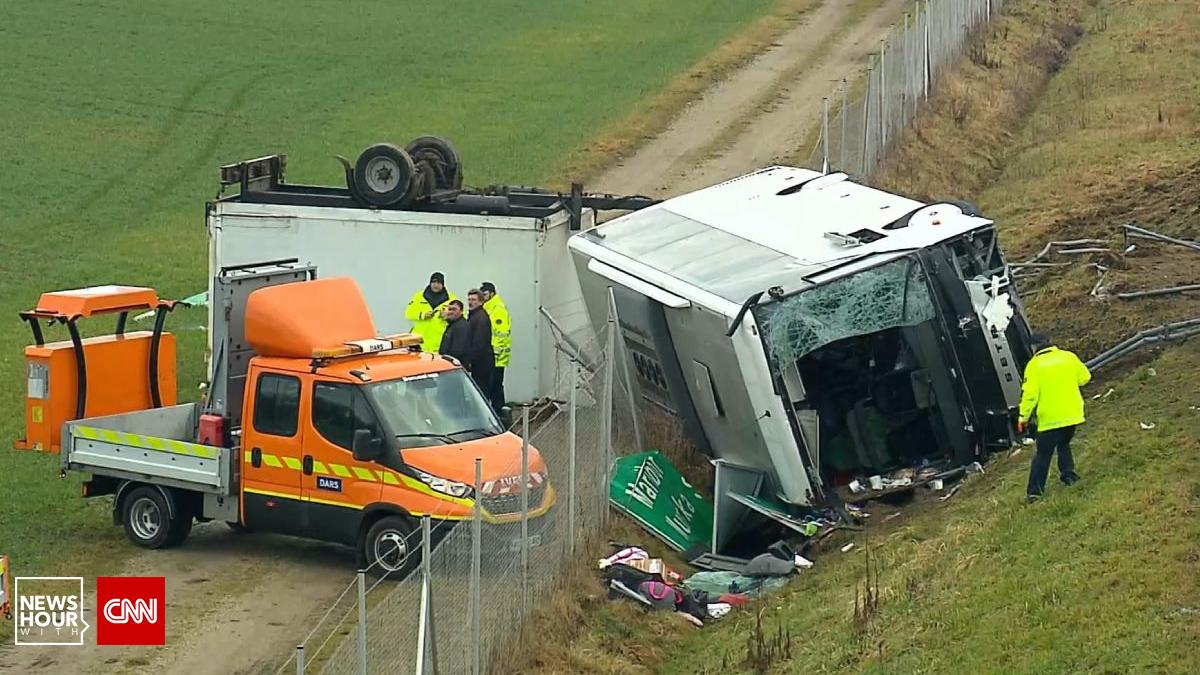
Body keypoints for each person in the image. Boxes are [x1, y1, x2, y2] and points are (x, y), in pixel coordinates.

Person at [1018, 332, 1092, 503]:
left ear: (1033, 348)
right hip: (1072, 414)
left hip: (1050, 418)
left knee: (1043, 454)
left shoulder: (1034, 365)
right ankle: (1069, 476)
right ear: (1050, 342)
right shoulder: (1068, 357)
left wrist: (1023, 418)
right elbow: (1085, 378)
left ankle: (1034, 492)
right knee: (1064, 443)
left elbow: (1030, 395)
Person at [406, 272, 458, 351]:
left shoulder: (451, 299)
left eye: (439, 282)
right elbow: (408, 313)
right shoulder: (419, 296)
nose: (436, 285)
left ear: (443, 284)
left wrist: (448, 316)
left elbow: (460, 316)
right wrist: (422, 315)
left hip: (438, 342)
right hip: (419, 341)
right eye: (433, 282)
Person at [479, 281, 511, 409]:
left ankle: (500, 412)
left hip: (497, 356)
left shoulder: (497, 308)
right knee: (491, 385)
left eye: (485, 294)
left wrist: (495, 351)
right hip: (492, 354)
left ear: (492, 293)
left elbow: (501, 333)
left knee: (496, 386)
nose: (483, 296)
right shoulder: (489, 307)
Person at [466, 289, 496, 394]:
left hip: (482, 361)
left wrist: (470, 359)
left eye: (474, 299)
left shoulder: (480, 318)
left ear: (481, 302)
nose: (470, 302)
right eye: (469, 299)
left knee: (482, 390)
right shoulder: (474, 316)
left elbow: (479, 342)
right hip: (480, 361)